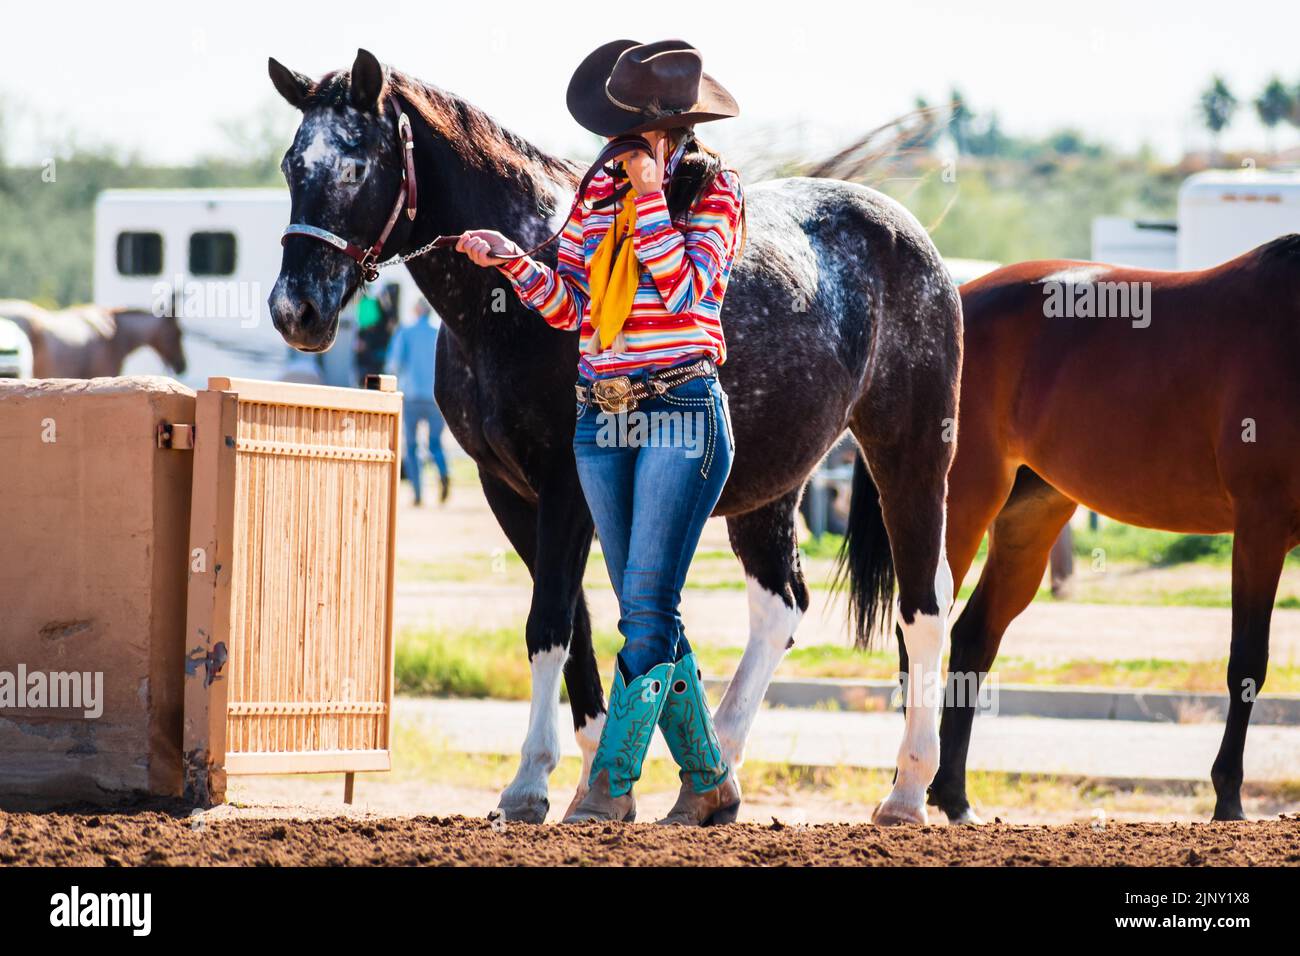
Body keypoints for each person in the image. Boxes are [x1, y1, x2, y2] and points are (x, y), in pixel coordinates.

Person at [455, 40, 745, 825]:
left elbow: (687, 293)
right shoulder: (597, 193)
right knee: (648, 613)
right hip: (601, 417)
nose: (612, 143)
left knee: (646, 608)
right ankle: (711, 780)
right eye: (612, 130)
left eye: (628, 129)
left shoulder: (716, 192)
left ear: (670, 131)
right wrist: (516, 264)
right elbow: (570, 306)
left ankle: (607, 787)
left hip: (682, 412)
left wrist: (648, 200)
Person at [386, 297, 450, 505]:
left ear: (416, 310)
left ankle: (418, 493)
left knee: (412, 447)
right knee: (435, 444)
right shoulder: (438, 332)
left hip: (412, 396)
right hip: (435, 398)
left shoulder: (406, 332)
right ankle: (443, 472)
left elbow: (394, 364)